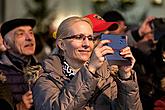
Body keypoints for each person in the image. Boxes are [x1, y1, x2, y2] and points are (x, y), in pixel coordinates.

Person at [33, 16, 142, 110]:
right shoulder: (47, 75)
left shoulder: (107, 75)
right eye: (79, 37)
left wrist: (125, 76)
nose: (87, 44)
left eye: (90, 38)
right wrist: (89, 71)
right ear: (62, 45)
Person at [0, 18, 42, 110]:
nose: (29, 38)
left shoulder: (44, 68)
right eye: (20, 34)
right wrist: (19, 108)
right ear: (7, 44)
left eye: (31, 33)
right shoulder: (1, 72)